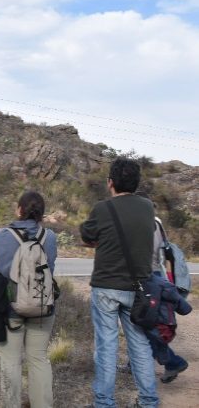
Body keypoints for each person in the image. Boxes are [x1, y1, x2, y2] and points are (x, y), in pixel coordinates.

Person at [80, 158, 159, 408]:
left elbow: (88, 236)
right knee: (140, 346)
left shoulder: (102, 208)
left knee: (106, 346)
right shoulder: (148, 207)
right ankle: (148, 401)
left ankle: (104, 402)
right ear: (136, 183)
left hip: (106, 287)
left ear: (110, 182)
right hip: (138, 288)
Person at [0, 191, 58, 408]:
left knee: (10, 362)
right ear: (42, 213)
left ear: (19, 209)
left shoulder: (1, 236)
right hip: (43, 306)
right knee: (39, 360)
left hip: (10, 309)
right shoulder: (50, 237)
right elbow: (50, 266)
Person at [135, 191, 190, 384]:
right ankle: (140, 363)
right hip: (157, 276)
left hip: (146, 278)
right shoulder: (157, 222)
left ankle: (172, 362)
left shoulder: (145, 223)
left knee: (146, 324)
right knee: (145, 324)